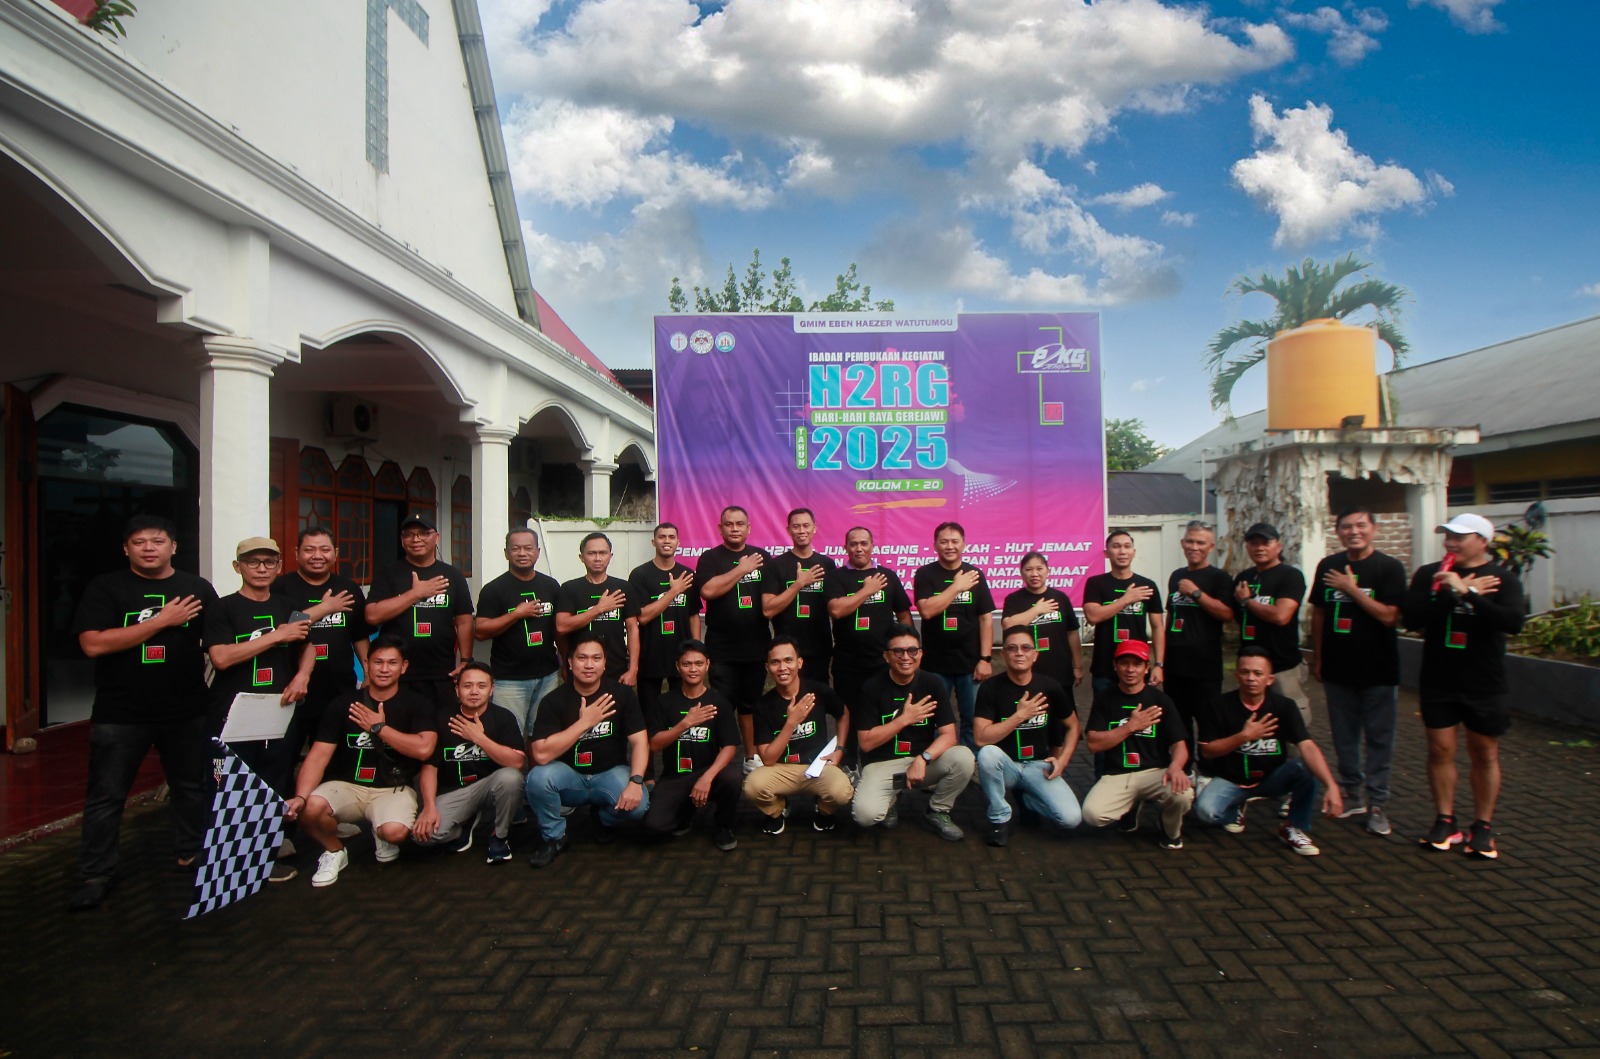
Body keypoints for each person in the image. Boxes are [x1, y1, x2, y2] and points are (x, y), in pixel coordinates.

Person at [68, 514, 221, 911]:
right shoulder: (107, 588)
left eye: (157, 540)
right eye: (139, 542)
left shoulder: (196, 589)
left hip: (186, 708)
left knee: (191, 787)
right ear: (126, 549)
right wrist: (162, 621)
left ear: (173, 546)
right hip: (121, 711)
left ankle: (191, 852)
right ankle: (96, 873)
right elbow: (93, 644)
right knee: (106, 796)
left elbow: (220, 640)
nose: (149, 548)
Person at [1402, 513, 1526, 860]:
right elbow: (1412, 619)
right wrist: (1451, 593)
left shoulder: (1502, 578)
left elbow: (1512, 622)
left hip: (1484, 681)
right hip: (1439, 678)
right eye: (1448, 536)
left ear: (1482, 541)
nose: (1451, 543)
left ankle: (1482, 825)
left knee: (1484, 752)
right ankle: (1445, 820)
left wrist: (1469, 593)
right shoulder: (1431, 574)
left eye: (1460, 537)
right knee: (1440, 749)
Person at [204, 536, 319, 882]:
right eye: (252, 562)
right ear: (237, 566)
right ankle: (229, 860)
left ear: (279, 566)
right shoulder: (222, 608)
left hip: (278, 707)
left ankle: (264, 854)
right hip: (232, 710)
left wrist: (302, 676)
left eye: (269, 562)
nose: (261, 569)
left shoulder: (289, 606)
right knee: (231, 783)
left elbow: (308, 646)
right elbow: (221, 657)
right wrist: (276, 636)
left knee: (273, 780)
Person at [285, 637, 438, 887]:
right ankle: (335, 851)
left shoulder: (418, 704)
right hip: (347, 786)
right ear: (366, 665)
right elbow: (318, 756)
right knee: (310, 809)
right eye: (378, 662)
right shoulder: (342, 704)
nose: (384, 669)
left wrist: (379, 728)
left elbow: (424, 749)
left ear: (404, 667)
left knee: (395, 832)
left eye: (392, 663)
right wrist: (301, 797)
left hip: (392, 787)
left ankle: (382, 832)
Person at [1311, 507, 1407, 837]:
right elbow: (1320, 613)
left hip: (1379, 670)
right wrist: (1319, 657)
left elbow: (1390, 616)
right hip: (1338, 669)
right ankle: (1353, 794)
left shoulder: (1389, 568)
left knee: (1379, 739)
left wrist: (1351, 589)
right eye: (1347, 526)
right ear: (1338, 531)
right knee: (1344, 736)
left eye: (1361, 525)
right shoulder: (1329, 565)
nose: (1354, 532)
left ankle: (1378, 803)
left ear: (1374, 529)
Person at [1193, 646, 1343, 856]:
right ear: (1236, 675)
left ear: (1270, 679)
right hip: (1231, 780)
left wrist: (1331, 785)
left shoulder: (1284, 707)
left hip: (1271, 778)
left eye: (1258, 673)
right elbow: (1207, 751)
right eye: (1245, 672)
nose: (1251, 679)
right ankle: (1235, 809)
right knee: (1205, 812)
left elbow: (1307, 745)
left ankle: (1292, 827)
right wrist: (1244, 736)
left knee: (1306, 768)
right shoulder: (1218, 705)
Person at [524, 630, 650, 868]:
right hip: (570, 777)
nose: (589, 665)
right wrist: (584, 723)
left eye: (596, 658)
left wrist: (635, 781)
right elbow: (540, 754)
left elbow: (640, 742)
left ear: (605, 663)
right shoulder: (554, 701)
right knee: (537, 779)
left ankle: (603, 818)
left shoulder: (622, 695)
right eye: (582, 658)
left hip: (609, 773)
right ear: (570, 663)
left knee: (639, 805)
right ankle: (554, 837)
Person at [849, 625, 975, 840]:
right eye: (898, 651)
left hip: (921, 763)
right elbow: (866, 743)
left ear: (921, 653)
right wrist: (904, 719)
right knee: (865, 815)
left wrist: (924, 758)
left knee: (964, 757)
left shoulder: (932, 683)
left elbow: (949, 735)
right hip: (883, 764)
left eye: (912, 650)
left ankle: (938, 809)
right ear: (886, 656)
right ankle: (890, 799)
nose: (906, 657)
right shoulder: (871, 687)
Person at [973, 626, 1082, 846]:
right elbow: (981, 738)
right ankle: (1000, 818)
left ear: (1035, 654)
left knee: (1071, 819)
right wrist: (1020, 716)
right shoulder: (990, 688)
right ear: (1003, 654)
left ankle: (1029, 801)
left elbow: (1073, 727)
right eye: (1012, 648)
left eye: (1025, 648)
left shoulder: (1049, 687)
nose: (1019, 653)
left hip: (1038, 766)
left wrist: (1062, 761)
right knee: (987, 754)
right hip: (1006, 766)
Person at [1080, 640, 1193, 849]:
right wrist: (1130, 726)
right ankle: (1130, 807)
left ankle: (1170, 830)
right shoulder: (1105, 699)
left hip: (1155, 773)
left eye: (1137, 664)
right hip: (1118, 774)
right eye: (1124, 663)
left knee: (1183, 794)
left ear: (1147, 668)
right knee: (1092, 814)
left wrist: (1176, 767)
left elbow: (1180, 744)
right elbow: (1093, 744)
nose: (1130, 669)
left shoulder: (1160, 700)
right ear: (1115, 666)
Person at [412, 661, 526, 864]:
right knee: (423, 836)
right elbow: (429, 767)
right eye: (467, 686)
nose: (474, 692)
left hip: (490, 787)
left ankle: (499, 837)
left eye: (481, 686)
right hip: (454, 791)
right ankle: (466, 822)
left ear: (491, 690)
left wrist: (479, 738)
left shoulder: (503, 717)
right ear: (457, 690)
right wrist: (428, 807)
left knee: (511, 778)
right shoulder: (440, 718)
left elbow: (517, 762)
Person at [743, 636, 853, 834]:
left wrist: (840, 749)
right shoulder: (763, 705)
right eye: (775, 662)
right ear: (767, 667)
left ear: (799, 662)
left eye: (788, 660)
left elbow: (843, 714)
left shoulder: (818, 691)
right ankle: (778, 810)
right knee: (752, 786)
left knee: (842, 791)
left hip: (817, 766)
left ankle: (824, 811)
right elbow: (767, 759)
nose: (782, 668)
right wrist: (791, 723)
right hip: (781, 768)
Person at [364, 514, 474, 711]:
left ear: (436, 537)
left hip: (442, 673)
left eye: (423, 533)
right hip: (398, 674)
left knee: (441, 725)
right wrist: (415, 594)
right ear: (402, 540)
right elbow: (372, 616)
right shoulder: (389, 573)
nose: (416, 539)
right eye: (409, 534)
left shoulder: (453, 575)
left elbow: (464, 621)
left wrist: (466, 660)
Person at [273, 526, 368, 748]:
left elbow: (360, 635)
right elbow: (282, 629)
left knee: (334, 756)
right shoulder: (279, 587)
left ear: (335, 553)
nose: (317, 556)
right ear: (297, 553)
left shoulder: (348, 589)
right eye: (309, 550)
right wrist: (326, 608)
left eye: (325, 549)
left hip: (339, 690)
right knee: (285, 756)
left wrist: (368, 672)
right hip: (291, 690)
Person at [642, 640, 740, 851]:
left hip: (709, 773)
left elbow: (730, 746)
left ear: (707, 665)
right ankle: (685, 811)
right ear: (677, 667)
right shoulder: (664, 702)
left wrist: (707, 777)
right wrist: (685, 723)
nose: (693, 669)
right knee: (653, 827)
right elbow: (654, 744)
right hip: (675, 776)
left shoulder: (718, 702)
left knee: (733, 778)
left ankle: (723, 826)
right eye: (687, 664)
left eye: (698, 663)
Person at [695, 506, 774, 765]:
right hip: (722, 648)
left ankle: (751, 758)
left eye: (740, 523)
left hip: (756, 645)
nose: (735, 528)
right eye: (729, 524)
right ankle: (722, 759)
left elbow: (770, 599)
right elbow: (708, 591)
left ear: (749, 527)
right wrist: (741, 569)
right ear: (720, 528)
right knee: (722, 706)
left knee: (751, 705)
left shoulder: (762, 557)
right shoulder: (710, 558)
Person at [913, 521, 996, 749]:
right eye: (944, 542)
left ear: (964, 544)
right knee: (932, 719)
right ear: (935, 545)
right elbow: (927, 610)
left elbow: (985, 619)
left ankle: (971, 762)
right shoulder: (925, 574)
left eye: (954, 541)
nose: (949, 546)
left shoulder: (975, 575)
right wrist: (957, 586)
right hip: (935, 663)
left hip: (970, 663)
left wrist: (985, 658)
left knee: (972, 718)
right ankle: (933, 762)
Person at [473, 528, 562, 736]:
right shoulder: (494, 589)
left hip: (548, 675)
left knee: (543, 733)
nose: (522, 553)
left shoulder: (551, 586)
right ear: (506, 553)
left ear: (538, 552)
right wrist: (516, 614)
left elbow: (558, 629)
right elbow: (481, 631)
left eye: (528, 548)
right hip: (509, 679)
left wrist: (565, 662)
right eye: (516, 548)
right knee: (510, 735)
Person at [825, 526, 913, 713]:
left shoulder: (887, 576)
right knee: (847, 715)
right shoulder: (836, 577)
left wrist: (908, 649)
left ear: (872, 546)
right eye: (853, 544)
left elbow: (904, 615)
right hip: (847, 664)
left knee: (884, 714)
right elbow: (836, 610)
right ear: (845, 548)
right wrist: (867, 590)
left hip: (883, 662)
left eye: (864, 543)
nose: (859, 549)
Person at [1231, 523, 1310, 723]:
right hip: (1250, 665)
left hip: (1282, 665)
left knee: (1292, 720)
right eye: (1254, 543)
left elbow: (1281, 616)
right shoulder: (1244, 578)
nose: (1259, 548)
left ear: (1278, 546)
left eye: (1265, 543)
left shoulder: (1290, 575)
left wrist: (1248, 601)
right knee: (1253, 719)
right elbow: (1237, 616)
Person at [1161, 522, 1234, 735]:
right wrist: (1162, 658)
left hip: (1204, 666)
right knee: (1178, 724)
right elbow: (1171, 615)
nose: (1194, 547)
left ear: (1211, 546)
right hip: (1175, 665)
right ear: (1182, 543)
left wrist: (1196, 593)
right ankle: (1183, 758)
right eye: (1190, 541)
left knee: (1208, 724)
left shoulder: (1220, 578)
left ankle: (1207, 758)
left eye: (1200, 543)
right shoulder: (1176, 576)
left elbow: (1227, 614)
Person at [627, 522, 702, 723]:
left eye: (671, 537)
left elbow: (693, 615)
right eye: (662, 537)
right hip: (650, 654)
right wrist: (673, 591)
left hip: (681, 654)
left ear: (678, 542)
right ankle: (650, 744)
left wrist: (696, 649)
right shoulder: (640, 575)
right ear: (654, 542)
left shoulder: (688, 575)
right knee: (649, 714)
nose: (666, 541)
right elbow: (642, 616)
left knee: (680, 711)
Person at [1083, 530, 1165, 694]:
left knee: (1138, 709)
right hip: (1104, 667)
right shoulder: (1096, 583)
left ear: (1133, 552)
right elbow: (1093, 616)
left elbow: (1157, 627)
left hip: (1137, 666)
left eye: (1127, 546)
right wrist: (1126, 599)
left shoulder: (1147, 585)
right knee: (1105, 710)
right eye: (1116, 546)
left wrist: (1159, 664)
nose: (1122, 551)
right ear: (1106, 553)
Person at [555, 531, 641, 685]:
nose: (597, 558)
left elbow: (632, 629)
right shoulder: (569, 589)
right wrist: (599, 608)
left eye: (603, 553)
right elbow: (562, 627)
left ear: (610, 556)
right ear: (581, 557)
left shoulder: (623, 587)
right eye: (591, 553)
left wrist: (633, 669)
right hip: (581, 669)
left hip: (616, 669)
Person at [765, 507, 837, 682]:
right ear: (788, 530)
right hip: (787, 650)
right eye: (796, 526)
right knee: (789, 695)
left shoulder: (827, 564)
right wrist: (799, 584)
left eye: (806, 525)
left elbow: (835, 608)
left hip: (820, 647)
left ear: (814, 528)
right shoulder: (776, 565)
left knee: (818, 695)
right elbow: (768, 610)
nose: (801, 530)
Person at [1000, 551, 1083, 691]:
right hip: (1027, 672)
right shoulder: (1014, 599)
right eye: (1028, 569)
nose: (1034, 574)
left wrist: (1078, 666)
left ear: (1047, 571)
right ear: (1021, 573)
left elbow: (1072, 633)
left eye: (1039, 568)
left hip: (1060, 671)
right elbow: (1007, 625)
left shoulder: (1060, 597)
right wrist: (1036, 610)